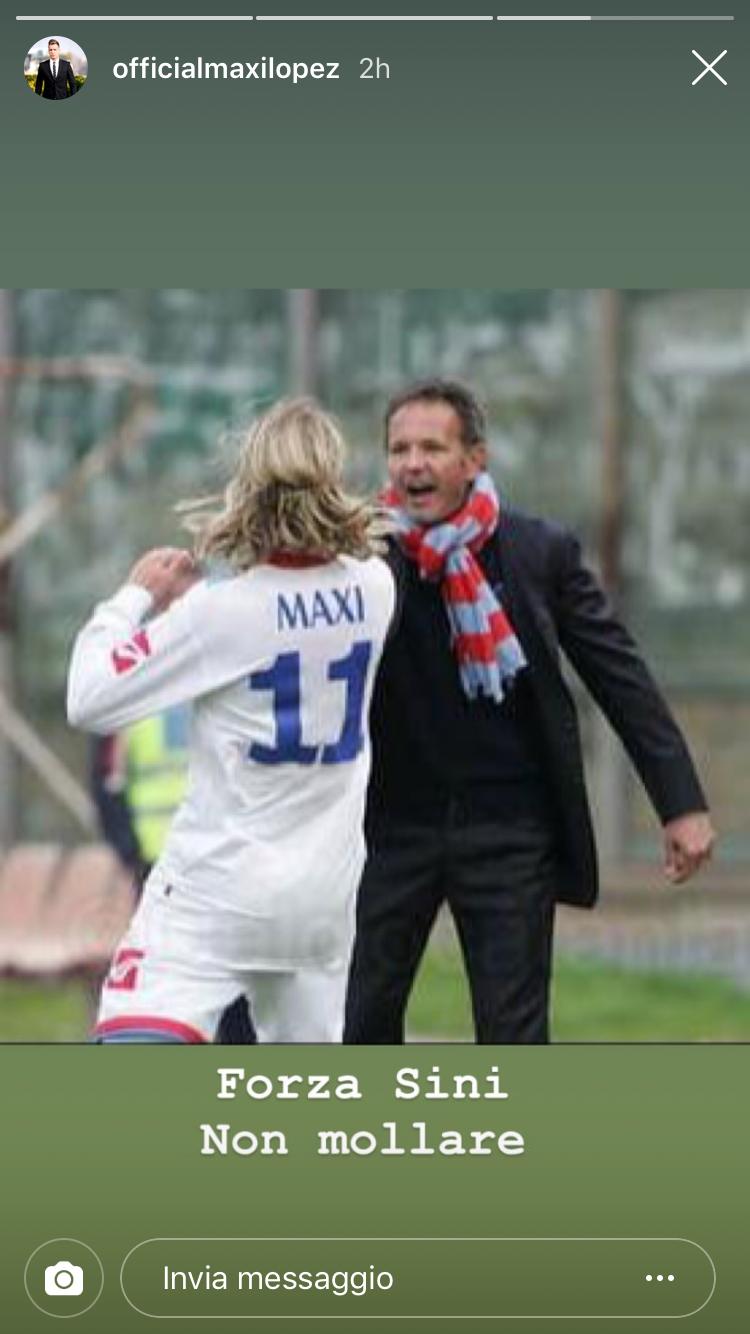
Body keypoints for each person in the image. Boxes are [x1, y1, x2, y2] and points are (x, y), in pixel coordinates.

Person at [344, 378, 715, 1045]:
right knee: (358, 1020)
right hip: (388, 828)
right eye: (399, 449)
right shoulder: (363, 558)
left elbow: (619, 675)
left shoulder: (537, 552)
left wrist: (680, 803)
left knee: (513, 1036)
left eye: (432, 448)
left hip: (509, 830)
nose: (412, 465)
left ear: (474, 459)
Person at [67, 398, 395, 1043]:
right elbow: (306, 604)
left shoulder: (220, 613)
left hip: (216, 895)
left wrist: (135, 597)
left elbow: (89, 698)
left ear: (249, 487)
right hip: (321, 904)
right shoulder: (375, 588)